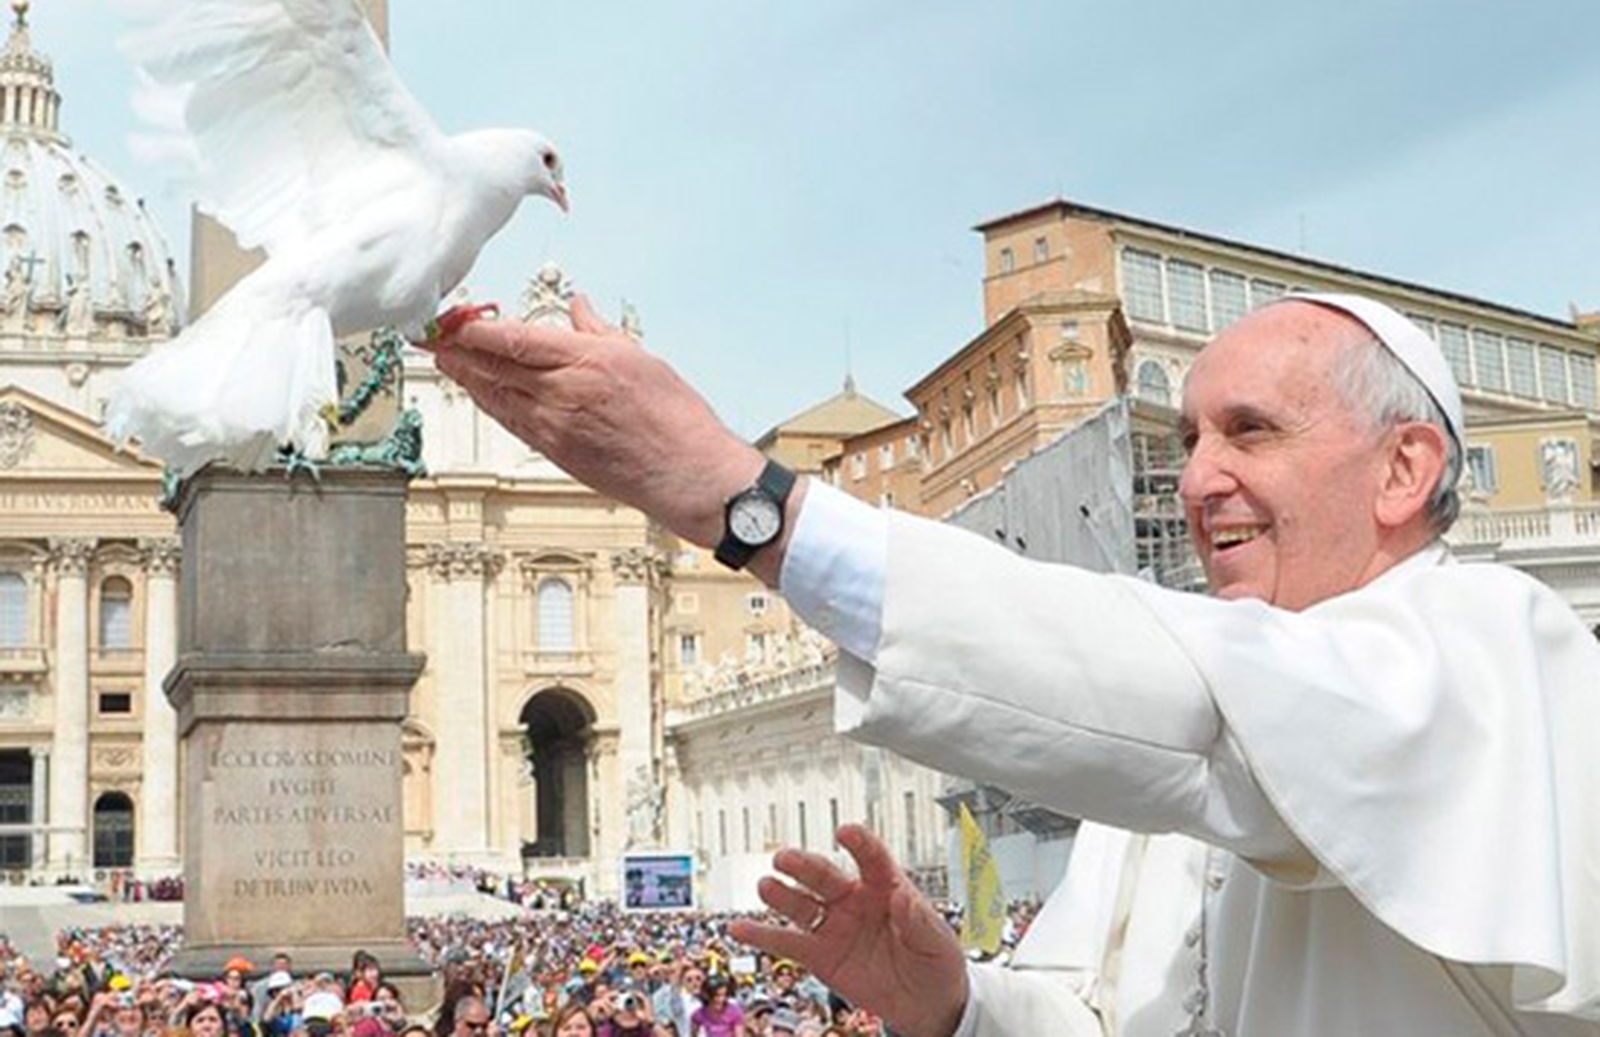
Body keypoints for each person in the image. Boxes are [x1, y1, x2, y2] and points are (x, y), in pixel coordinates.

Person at [430, 290, 1600, 1036]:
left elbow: (1210, 706)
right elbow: (1101, 1019)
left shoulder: (1500, 643)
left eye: (1251, 430)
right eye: (1187, 439)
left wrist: (755, 506)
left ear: (1403, 471)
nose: (1195, 479)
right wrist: (954, 1000)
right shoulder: (1172, 782)